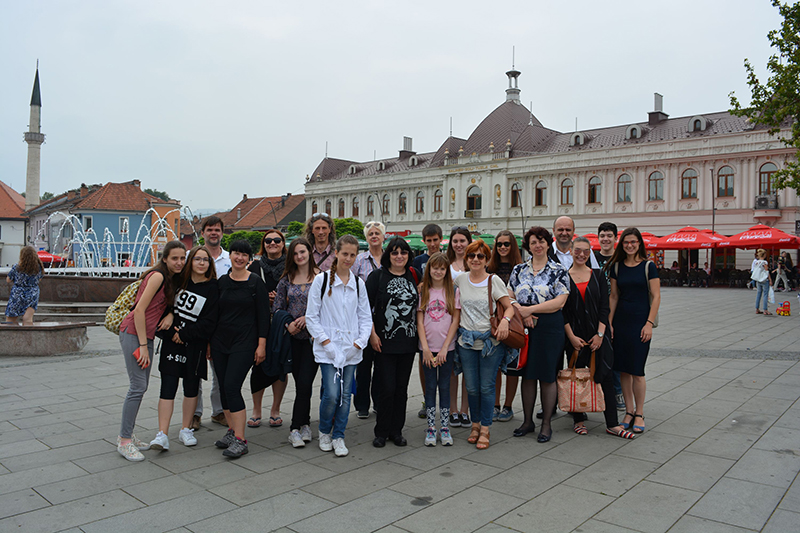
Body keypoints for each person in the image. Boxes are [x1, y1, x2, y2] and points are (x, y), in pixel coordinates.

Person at [116, 241, 186, 462]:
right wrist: (143, 346)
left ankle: (128, 434)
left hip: (144, 336)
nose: (179, 262)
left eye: (182, 258)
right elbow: (139, 310)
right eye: (174, 258)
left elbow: (162, 307)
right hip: (134, 334)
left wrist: (171, 314)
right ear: (165, 258)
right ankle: (124, 440)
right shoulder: (157, 276)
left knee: (141, 386)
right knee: (137, 386)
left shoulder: (170, 279)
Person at [305, 235, 372, 457]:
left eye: (353, 255)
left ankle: (339, 435)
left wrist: (359, 343)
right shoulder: (321, 280)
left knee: (345, 395)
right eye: (345, 254)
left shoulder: (358, 284)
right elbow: (312, 317)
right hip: (328, 348)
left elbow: (365, 317)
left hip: (351, 348)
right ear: (336, 253)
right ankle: (325, 430)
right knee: (332, 394)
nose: (348, 259)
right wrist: (327, 344)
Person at [563, 237, 635, 440]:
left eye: (586, 251)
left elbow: (605, 306)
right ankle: (578, 420)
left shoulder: (598, 274)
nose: (581, 254)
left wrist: (601, 334)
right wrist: (571, 336)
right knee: (577, 377)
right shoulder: (564, 277)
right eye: (578, 250)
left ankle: (612, 424)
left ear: (590, 253)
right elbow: (563, 311)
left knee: (606, 377)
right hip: (575, 337)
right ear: (571, 251)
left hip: (598, 335)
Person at [150, 246, 219, 451]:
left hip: (195, 345)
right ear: (191, 261)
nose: (201, 263)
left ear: (210, 264)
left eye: (205, 260)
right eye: (197, 259)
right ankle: (162, 434)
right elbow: (164, 307)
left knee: (191, 388)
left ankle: (186, 429)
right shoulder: (178, 281)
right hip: (171, 343)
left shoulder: (213, 287)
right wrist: (171, 322)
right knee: (167, 387)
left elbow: (210, 321)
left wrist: (185, 334)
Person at [508, 227, 569, 443]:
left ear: (548, 244)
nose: (538, 245)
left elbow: (560, 301)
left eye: (542, 241)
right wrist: (521, 312)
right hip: (524, 326)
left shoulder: (558, 270)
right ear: (528, 246)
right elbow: (509, 295)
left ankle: (546, 424)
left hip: (550, 327)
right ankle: (527, 421)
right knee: (528, 374)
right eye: (533, 242)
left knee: (547, 375)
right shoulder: (519, 269)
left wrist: (530, 310)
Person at [212, 240, 270, 458]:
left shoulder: (255, 283)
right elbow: (215, 314)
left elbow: (263, 316)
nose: (239, 258)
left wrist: (261, 345)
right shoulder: (222, 282)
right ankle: (231, 430)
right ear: (231, 255)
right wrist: (209, 344)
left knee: (232, 386)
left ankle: (240, 439)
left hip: (245, 343)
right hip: (220, 342)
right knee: (223, 388)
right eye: (236, 253)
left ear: (249, 259)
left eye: (244, 255)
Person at [454, 240, 515, 449]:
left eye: (480, 256)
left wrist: (505, 321)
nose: (476, 260)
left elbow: (509, 307)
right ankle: (475, 425)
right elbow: (440, 287)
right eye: (471, 256)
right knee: (471, 388)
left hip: (491, 343)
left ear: (487, 260)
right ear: (466, 259)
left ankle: (485, 428)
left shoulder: (493, 280)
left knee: (487, 387)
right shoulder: (461, 279)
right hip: (466, 342)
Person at [367, 237, 420, 447]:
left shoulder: (414, 275)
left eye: (403, 252)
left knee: (401, 389)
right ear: (388, 255)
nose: (399, 256)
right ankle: (381, 431)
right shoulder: (377, 277)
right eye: (395, 252)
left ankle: (396, 431)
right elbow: (365, 309)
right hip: (383, 343)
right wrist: (372, 335)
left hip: (408, 342)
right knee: (386, 388)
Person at [608, 228, 661, 434]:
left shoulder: (649, 266)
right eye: (626, 242)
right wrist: (610, 322)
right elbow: (614, 296)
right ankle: (628, 411)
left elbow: (656, 296)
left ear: (639, 243)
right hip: (621, 322)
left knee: (637, 370)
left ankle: (639, 413)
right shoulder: (617, 267)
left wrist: (649, 323)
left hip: (640, 323)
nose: (629, 245)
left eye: (633, 242)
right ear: (622, 245)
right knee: (623, 369)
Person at [274, 238, 321, 448]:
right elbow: (277, 308)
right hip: (292, 340)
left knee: (305, 383)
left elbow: (327, 307)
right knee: (301, 384)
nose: (299, 256)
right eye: (295, 253)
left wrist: (308, 318)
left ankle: (294, 428)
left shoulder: (321, 277)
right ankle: (305, 424)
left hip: (313, 340)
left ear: (309, 252)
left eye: (302, 252)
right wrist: (288, 324)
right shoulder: (286, 280)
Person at [417, 252, 459, 446]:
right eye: (435, 268)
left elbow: (455, 321)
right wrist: (425, 348)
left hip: (446, 349)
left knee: (444, 386)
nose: (438, 272)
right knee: (430, 386)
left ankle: (445, 427)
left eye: (442, 268)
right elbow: (419, 321)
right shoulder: (423, 291)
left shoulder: (453, 291)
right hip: (427, 348)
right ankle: (431, 427)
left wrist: (445, 348)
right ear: (429, 269)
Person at [247, 230, 289, 429]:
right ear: (263, 244)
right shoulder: (255, 266)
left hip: (281, 322)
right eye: (268, 240)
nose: (273, 243)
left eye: (277, 240)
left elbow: (298, 291)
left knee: (280, 366)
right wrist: (265, 298)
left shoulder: (291, 265)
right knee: (258, 365)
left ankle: (275, 409)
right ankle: (256, 410)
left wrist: (281, 298)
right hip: (259, 322)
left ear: (283, 243)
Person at [194, 216, 231, 429]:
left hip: (222, 322)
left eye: (217, 229)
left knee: (220, 371)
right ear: (203, 233)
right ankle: (195, 413)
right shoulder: (193, 256)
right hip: (197, 320)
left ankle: (219, 411)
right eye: (209, 230)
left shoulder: (229, 259)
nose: (213, 233)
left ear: (222, 233)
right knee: (194, 371)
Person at [486, 230, 523, 422]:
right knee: (494, 366)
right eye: (499, 244)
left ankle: (508, 406)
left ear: (513, 246)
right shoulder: (489, 268)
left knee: (512, 367)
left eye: (506, 244)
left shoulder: (521, 268)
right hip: (493, 321)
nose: (502, 247)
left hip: (513, 320)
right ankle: (495, 404)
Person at [352, 220, 385, 418]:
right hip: (363, 318)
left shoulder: (390, 258)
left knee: (381, 365)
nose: (374, 236)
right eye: (371, 234)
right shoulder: (359, 260)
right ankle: (362, 404)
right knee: (363, 365)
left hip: (384, 319)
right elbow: (351, 284)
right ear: (366, 238)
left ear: (383, 237)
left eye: (377, 233)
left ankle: (379, 402)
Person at [412, 223, 443, 418]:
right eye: (429, 240)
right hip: (424, 314)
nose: (432, 244)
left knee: (446, 363)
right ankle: (427, 398)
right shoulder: (418, 261)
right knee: (424, 360)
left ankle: (447, 401)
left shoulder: (447, 259)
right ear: (424, 241)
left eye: (435, 240)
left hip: (443, 315)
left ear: (441, 240)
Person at [594, 221, 624, 411]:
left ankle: (618, 391)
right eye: (602, 236)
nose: (605, 239)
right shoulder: (592, 258)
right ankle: (600, 392)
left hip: (619, 312)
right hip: (597, 311)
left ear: (615, 238)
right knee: (601, 353)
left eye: (609, 236)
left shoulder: (621, 258)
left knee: (617, 353)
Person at [446, 226, 472, 428]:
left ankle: (465, 410)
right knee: (453, 370)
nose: (459, 244)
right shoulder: (446, 265)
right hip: (449, 321)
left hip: (470, 321)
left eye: (462, 240)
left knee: (468, 370)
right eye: (455, 241)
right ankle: (452, 409)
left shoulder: (475, 262)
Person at [4, 246, 44, 325]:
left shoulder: (17, 267)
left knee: (10, 319)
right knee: (27, 319)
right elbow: (39, 279)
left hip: (18, 294)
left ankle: (13, 332)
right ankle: (28, 332)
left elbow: (8, 280)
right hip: (32, 293)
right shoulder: (38, 267)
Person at [752, 249, 772, 315]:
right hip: (764, 279)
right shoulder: (764, 262)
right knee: (765, 294)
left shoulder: (756, 262)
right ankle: (765, 310)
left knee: (758, 294)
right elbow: (766, 271)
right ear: (764, 255)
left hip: (758, 279)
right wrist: (770, 279)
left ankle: (757, 308)